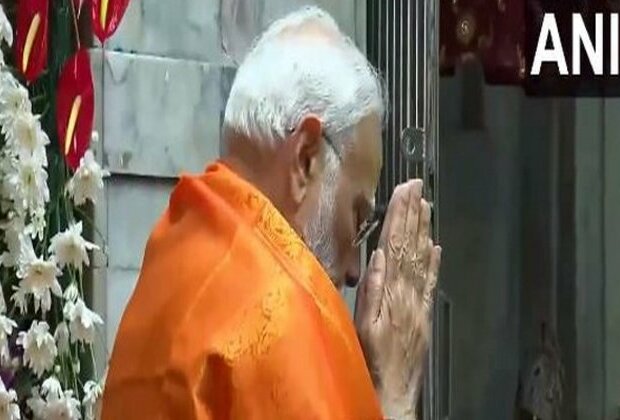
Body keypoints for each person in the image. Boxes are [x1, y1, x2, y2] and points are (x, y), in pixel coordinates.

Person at [100, 6, 441, 420]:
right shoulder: (278, 313)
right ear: (306, 159)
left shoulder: (172, 255)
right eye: (356, 217)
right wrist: (395, 393)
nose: (354, 268)